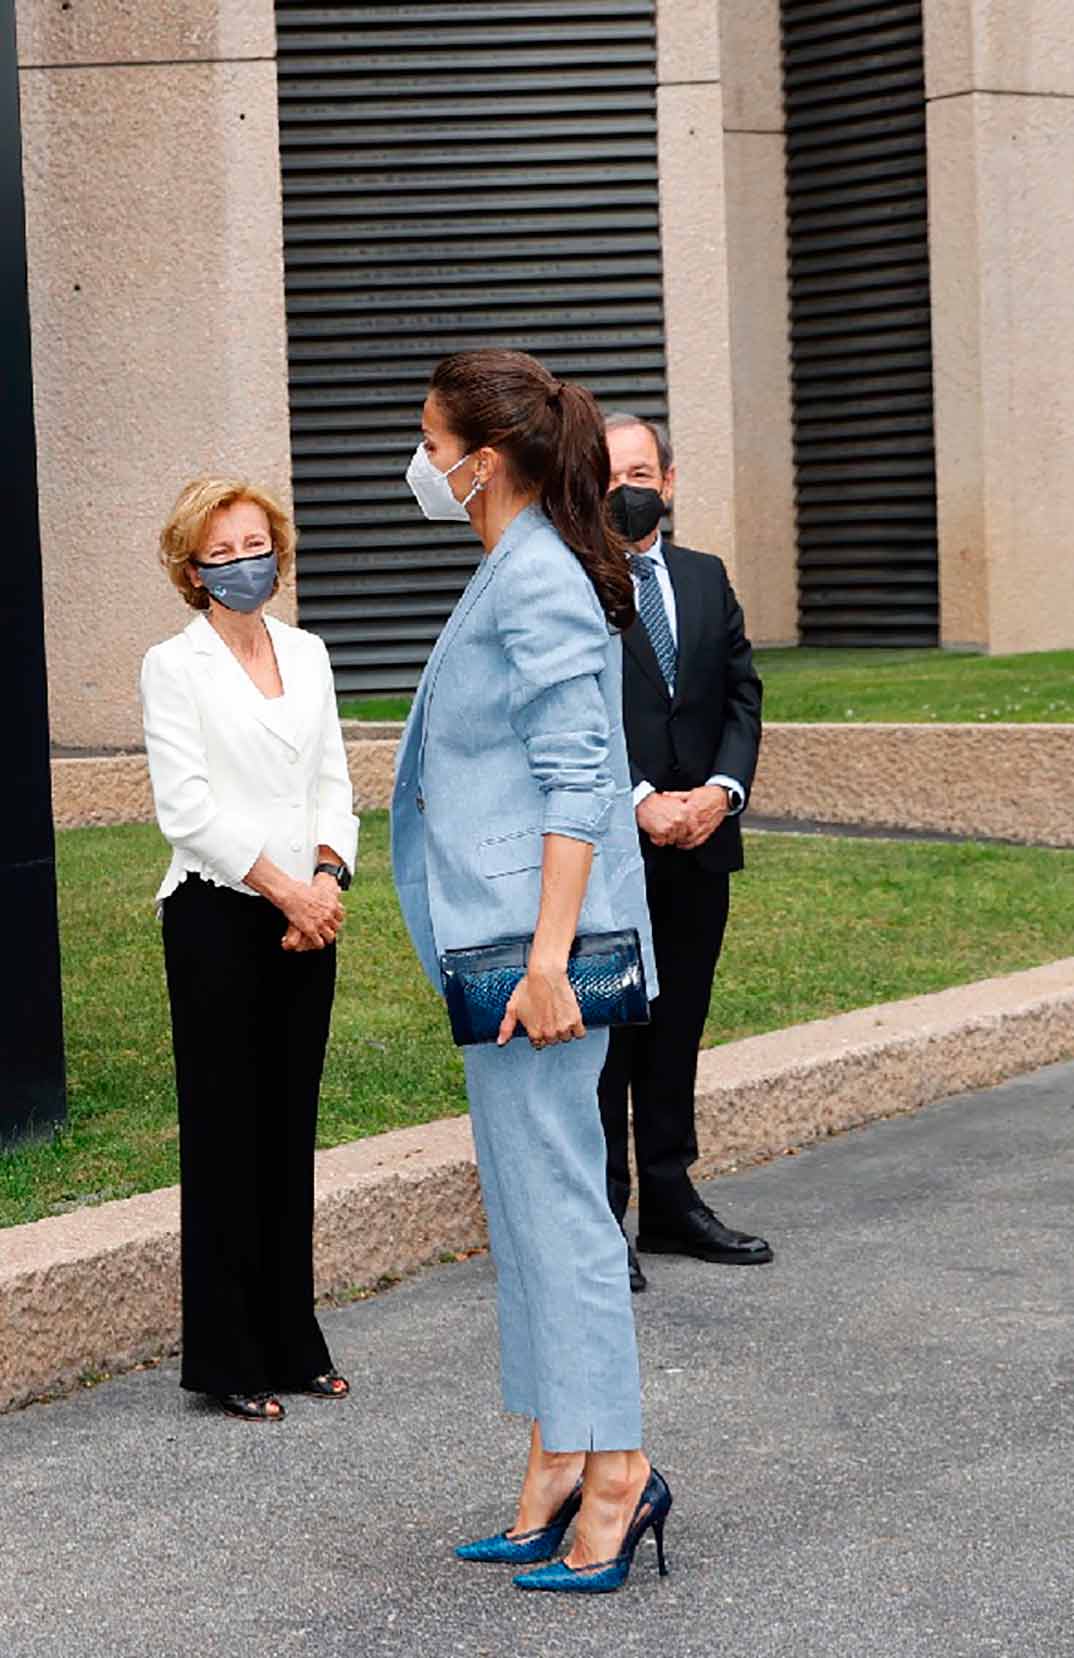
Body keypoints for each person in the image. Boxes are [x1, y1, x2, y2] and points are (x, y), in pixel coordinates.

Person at [391, 350, 671, 1594]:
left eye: (430, 442)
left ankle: (619, 1473)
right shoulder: (518, 567)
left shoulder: (539, 578)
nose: (421, 464)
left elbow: (580, 780)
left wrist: (552, 957)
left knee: (561, 1216)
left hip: (535, 961)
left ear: (481, 462)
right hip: (500, 949)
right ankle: (562, 1451)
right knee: (527, 1208)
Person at [141, 477, 359, 1422]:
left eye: (253, 544)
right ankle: (227, 1358)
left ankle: (292, 1340)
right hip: (219, 916)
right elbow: (185, 807)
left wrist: (327, 879)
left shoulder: (308, 654)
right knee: (228, 1134)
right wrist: (282, 888)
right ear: (193, 569)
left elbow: (333, 779)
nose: (242, 564)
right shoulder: (172, 665)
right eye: (221, 553)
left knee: (289, 1131)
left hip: (308, 912)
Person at [597, 413, 772, 1294]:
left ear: (666, 480)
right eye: (606, 473)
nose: (623, 487)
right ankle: (606, 1215)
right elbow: (576, 718)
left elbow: (742, 692)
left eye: (637, 471)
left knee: (678, 1033)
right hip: (612, 853)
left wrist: (720, 793)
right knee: (612, 1041)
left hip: (703, 847)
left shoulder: (705, 577)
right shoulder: (575, 583)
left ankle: (670, 1199)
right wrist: (639, 802)